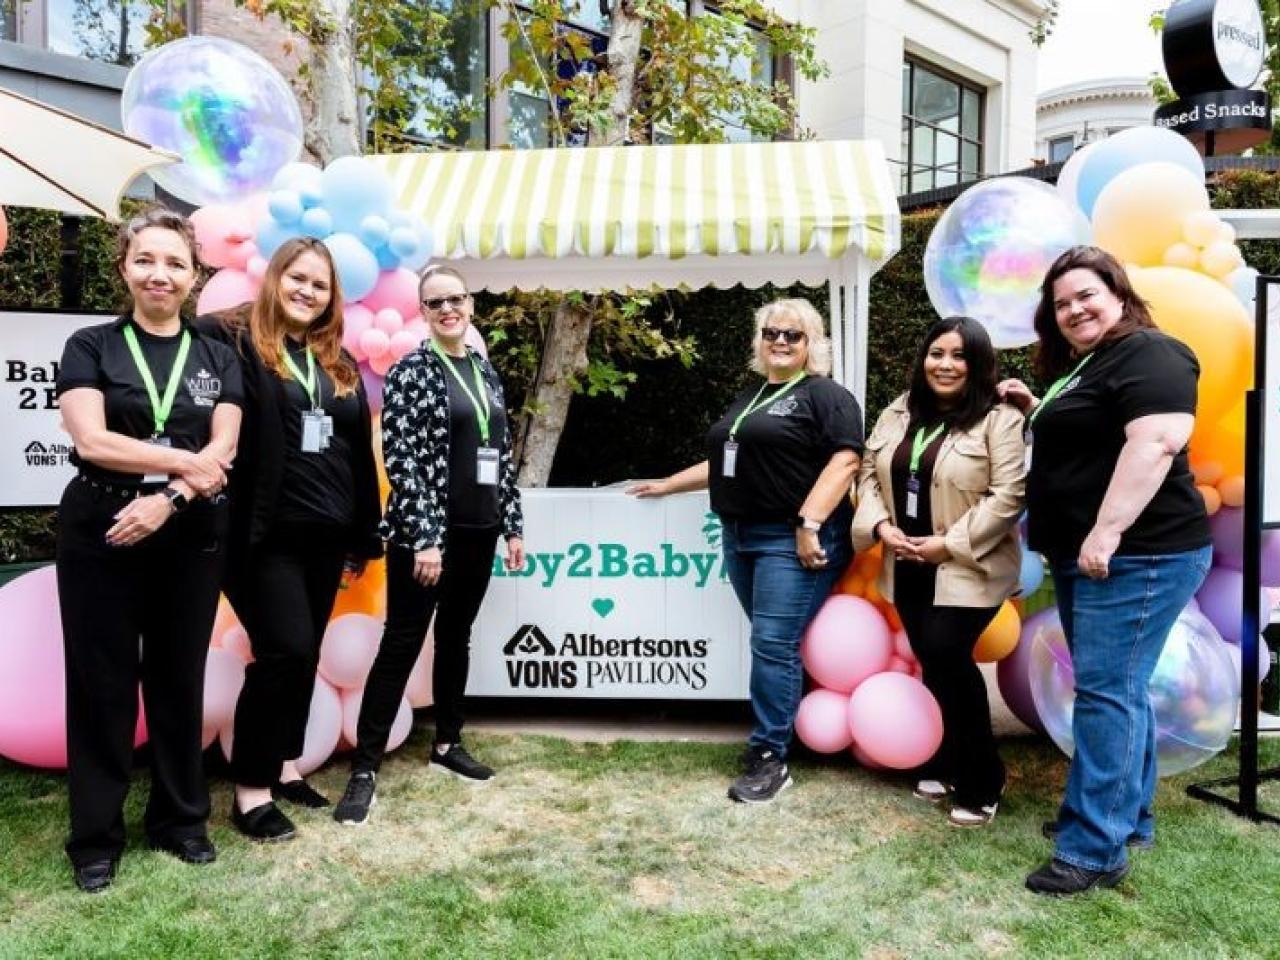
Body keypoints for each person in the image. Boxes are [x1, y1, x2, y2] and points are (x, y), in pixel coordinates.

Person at [998, 246, 1212, 896]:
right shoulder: (1089, 365)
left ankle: (1093, 849)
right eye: (1061, 304)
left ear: (1119, 294)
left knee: (1104, 693)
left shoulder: (1153, 353)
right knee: (1118, 689)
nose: (1073, 310)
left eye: (1085, 295)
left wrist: (1106, 532)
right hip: (1093, 557)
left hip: (1139, 554)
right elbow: (1092, 431)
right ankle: (1128, 819)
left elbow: (1153, 442)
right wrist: (1037, 405)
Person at [55, 208, 243, 893]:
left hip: (186, 528)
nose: (159, 274)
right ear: (124, 268)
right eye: (146, 260)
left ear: (195, 277)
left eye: (175, 263)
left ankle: (180, 820)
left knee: (177, 678)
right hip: (103, 525)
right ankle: (95, 837)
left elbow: (224, 449)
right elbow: (92, 441)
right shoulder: (91, 345)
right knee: (101, 683)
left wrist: (168, 495)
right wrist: (180, 461)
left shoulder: (218, 354)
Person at [628, 298, 862, 804]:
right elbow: (727, 463)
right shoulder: (752, 395)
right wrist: (667, 485)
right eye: (771, 333)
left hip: (790, 538)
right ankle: (780, 736)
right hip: (740, 534)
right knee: (771, 641)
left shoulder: (826, 395)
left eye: (793, 336)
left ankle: (770, 757)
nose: (780, 341)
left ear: (812, 344)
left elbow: (846, 464)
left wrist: (809, 523)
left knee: (773, 645)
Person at [198, 238, 382, 842]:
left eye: (320, 285)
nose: (307, 292)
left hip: (327, 535)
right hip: (262, 534)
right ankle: (249, 792)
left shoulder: (336, 361)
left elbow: (356, 455)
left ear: (333, 299)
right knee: (285, 650)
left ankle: (281, 764)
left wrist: (361, 538)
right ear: (275, 279)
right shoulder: (237, 344)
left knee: (301, 657)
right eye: (297, 279)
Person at [333, 265, 524, 825]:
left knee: (457, 637)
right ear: (423, 311)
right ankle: (365, 767)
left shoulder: (486, 374)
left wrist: (512, 524)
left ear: (470, 304)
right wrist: (424, 538)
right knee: (401, 643)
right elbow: (402, 460)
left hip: (480, 531)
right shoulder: (411, 372)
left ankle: (447, 743)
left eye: (456, 298)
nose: (447, 309)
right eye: (435, 301)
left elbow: (500, 456)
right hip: (427, 541)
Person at [852, 316, 1025, 827]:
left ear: (979, 365)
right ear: (923, 358)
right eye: (937, 353)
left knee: (950, 657)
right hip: (905, 561)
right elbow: (867, 473)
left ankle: (984, 777)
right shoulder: (899, 410)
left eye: (959, 356)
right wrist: (881, 527)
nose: (946, 364)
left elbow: (1009, 495)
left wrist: (946, 546)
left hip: (968, 565)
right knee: (933, 661)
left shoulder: (1001, 419)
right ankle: (948, 758)